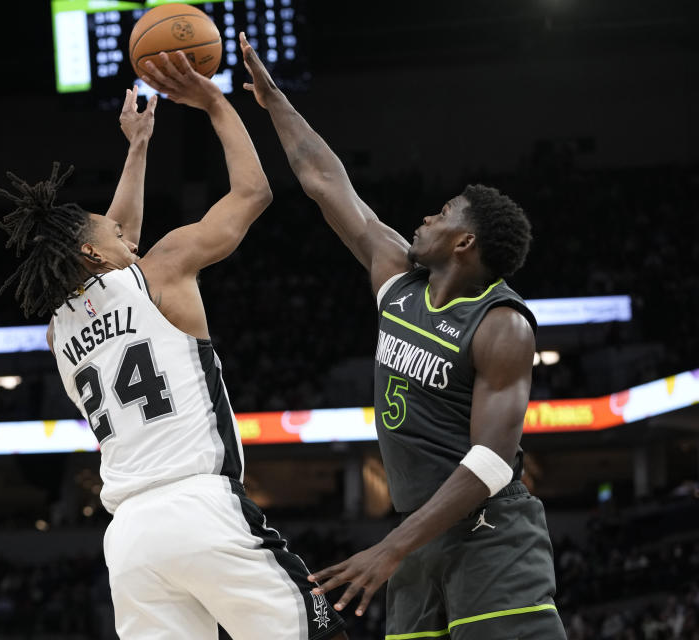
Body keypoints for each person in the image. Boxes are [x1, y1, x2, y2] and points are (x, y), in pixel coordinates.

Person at [0, 56, 346, 640]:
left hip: (130, 540)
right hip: (199, 506)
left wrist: (139, 148)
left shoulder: (59, 330)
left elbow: (116, 241)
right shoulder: (166, 267)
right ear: (96, 255)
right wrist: (215, 104)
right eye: (109, 229)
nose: (124, 229)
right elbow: (253, 192)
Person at [237, 33, 566, 640]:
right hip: (420, 536)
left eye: (442, 214)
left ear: (465, 243)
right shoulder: (397, 279)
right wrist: (274, 100)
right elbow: (325, 182)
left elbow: (492, 463)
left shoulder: (501, 324)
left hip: (490, 534)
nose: (425, 218)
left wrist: (389, 548)